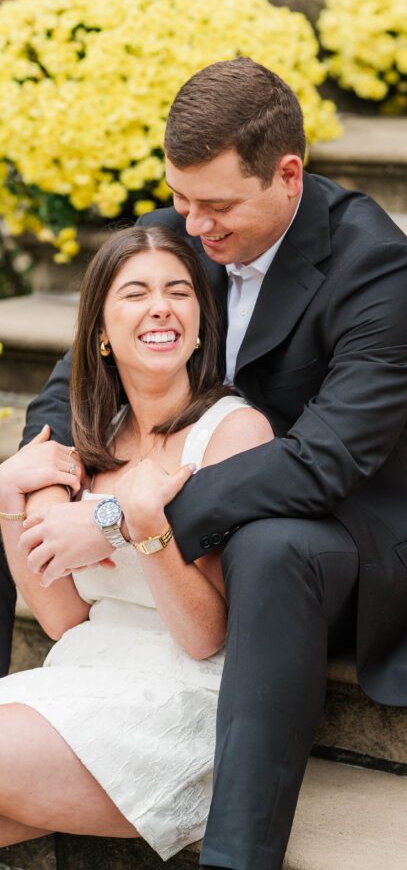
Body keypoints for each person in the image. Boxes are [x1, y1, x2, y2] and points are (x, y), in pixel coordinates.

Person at [7, 57, 407, 870]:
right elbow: (75, 383)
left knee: (271, 548)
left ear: (287, 175)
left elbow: (324, 460)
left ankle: (239, 855)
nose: (193, 226)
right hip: (202, 506)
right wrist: (51, 489)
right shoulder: (188, 227)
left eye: (217, 206)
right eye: (180, 198)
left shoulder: (378, 269)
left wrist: (116, 518)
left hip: (351, 526)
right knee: (19, 480)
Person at [0, 225, 273, 858]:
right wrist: (8, 497)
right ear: (100, 330)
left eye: (178, 292)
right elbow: (64, 619)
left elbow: (205, 636)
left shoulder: (232, 434)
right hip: (79, 677)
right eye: (136, 293)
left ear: (200, 324)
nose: (160, 307)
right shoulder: (89, 440)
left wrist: (144, 524)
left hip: (179, 703)